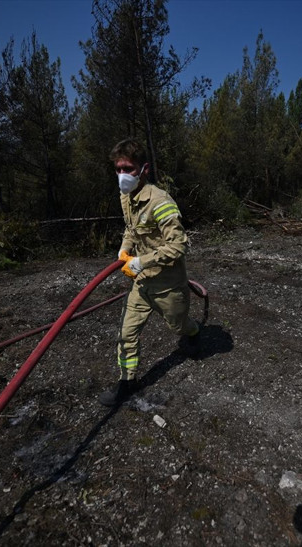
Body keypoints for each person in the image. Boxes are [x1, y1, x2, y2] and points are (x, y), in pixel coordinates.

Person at [99, 138, 200, 406]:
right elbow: (132, 229)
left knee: (178, 325)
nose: (122, 176)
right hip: (141, 284)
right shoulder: (125, 197)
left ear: (144, 170)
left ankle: (194, 331)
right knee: (126, 333)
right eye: (118, 169)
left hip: (168, 284)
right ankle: (127, 383)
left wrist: (142, 261)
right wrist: (125, 248)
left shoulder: (160, 201)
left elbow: (178, 246)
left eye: (128, 169)